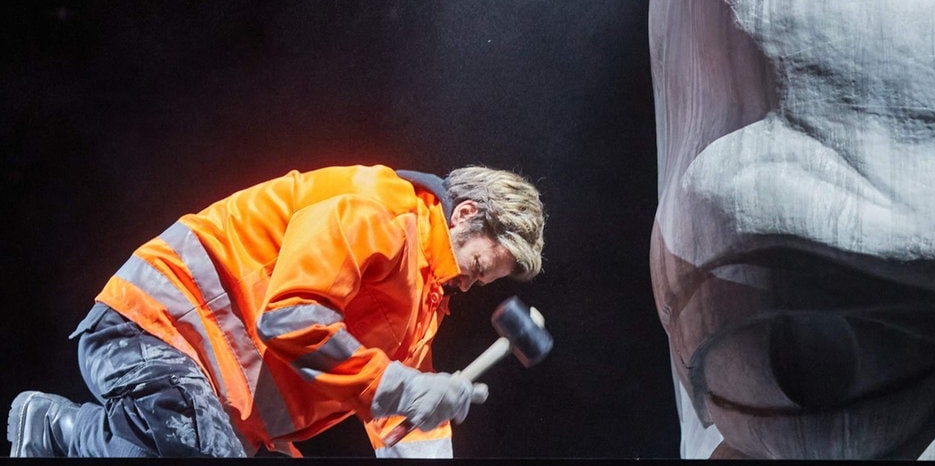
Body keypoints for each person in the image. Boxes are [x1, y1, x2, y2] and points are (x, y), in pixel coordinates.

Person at [6, 162, 545, 458]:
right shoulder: (378, 209)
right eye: (476, 267)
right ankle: (60, 428)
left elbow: (398, 414)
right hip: (152, 330)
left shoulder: (422, 305)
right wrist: (404, 389)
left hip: (215, 403)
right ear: (465, 213)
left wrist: (422, 406)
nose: (470, 287)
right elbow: (290, 317)